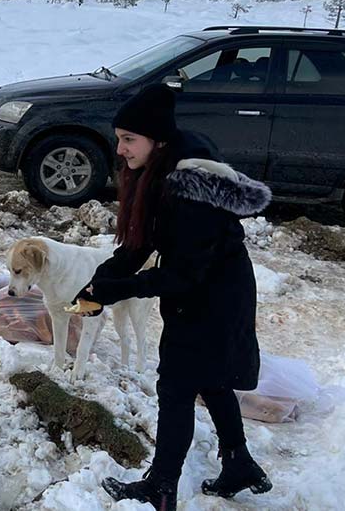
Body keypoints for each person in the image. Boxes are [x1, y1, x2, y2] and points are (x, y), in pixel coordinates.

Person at [76, 85, 273, 510]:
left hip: (212, 297)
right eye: (119, 137)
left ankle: (161, 486)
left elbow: (182, 276)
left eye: (129, 139)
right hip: (208, 288)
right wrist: (100, 281)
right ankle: (238, 464)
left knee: (178, 388)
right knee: (211, 379)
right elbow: (140, 244)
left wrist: (119, 290)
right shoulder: (161, 169)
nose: (120, 149)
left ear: (157, 140)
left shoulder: (189, 190)